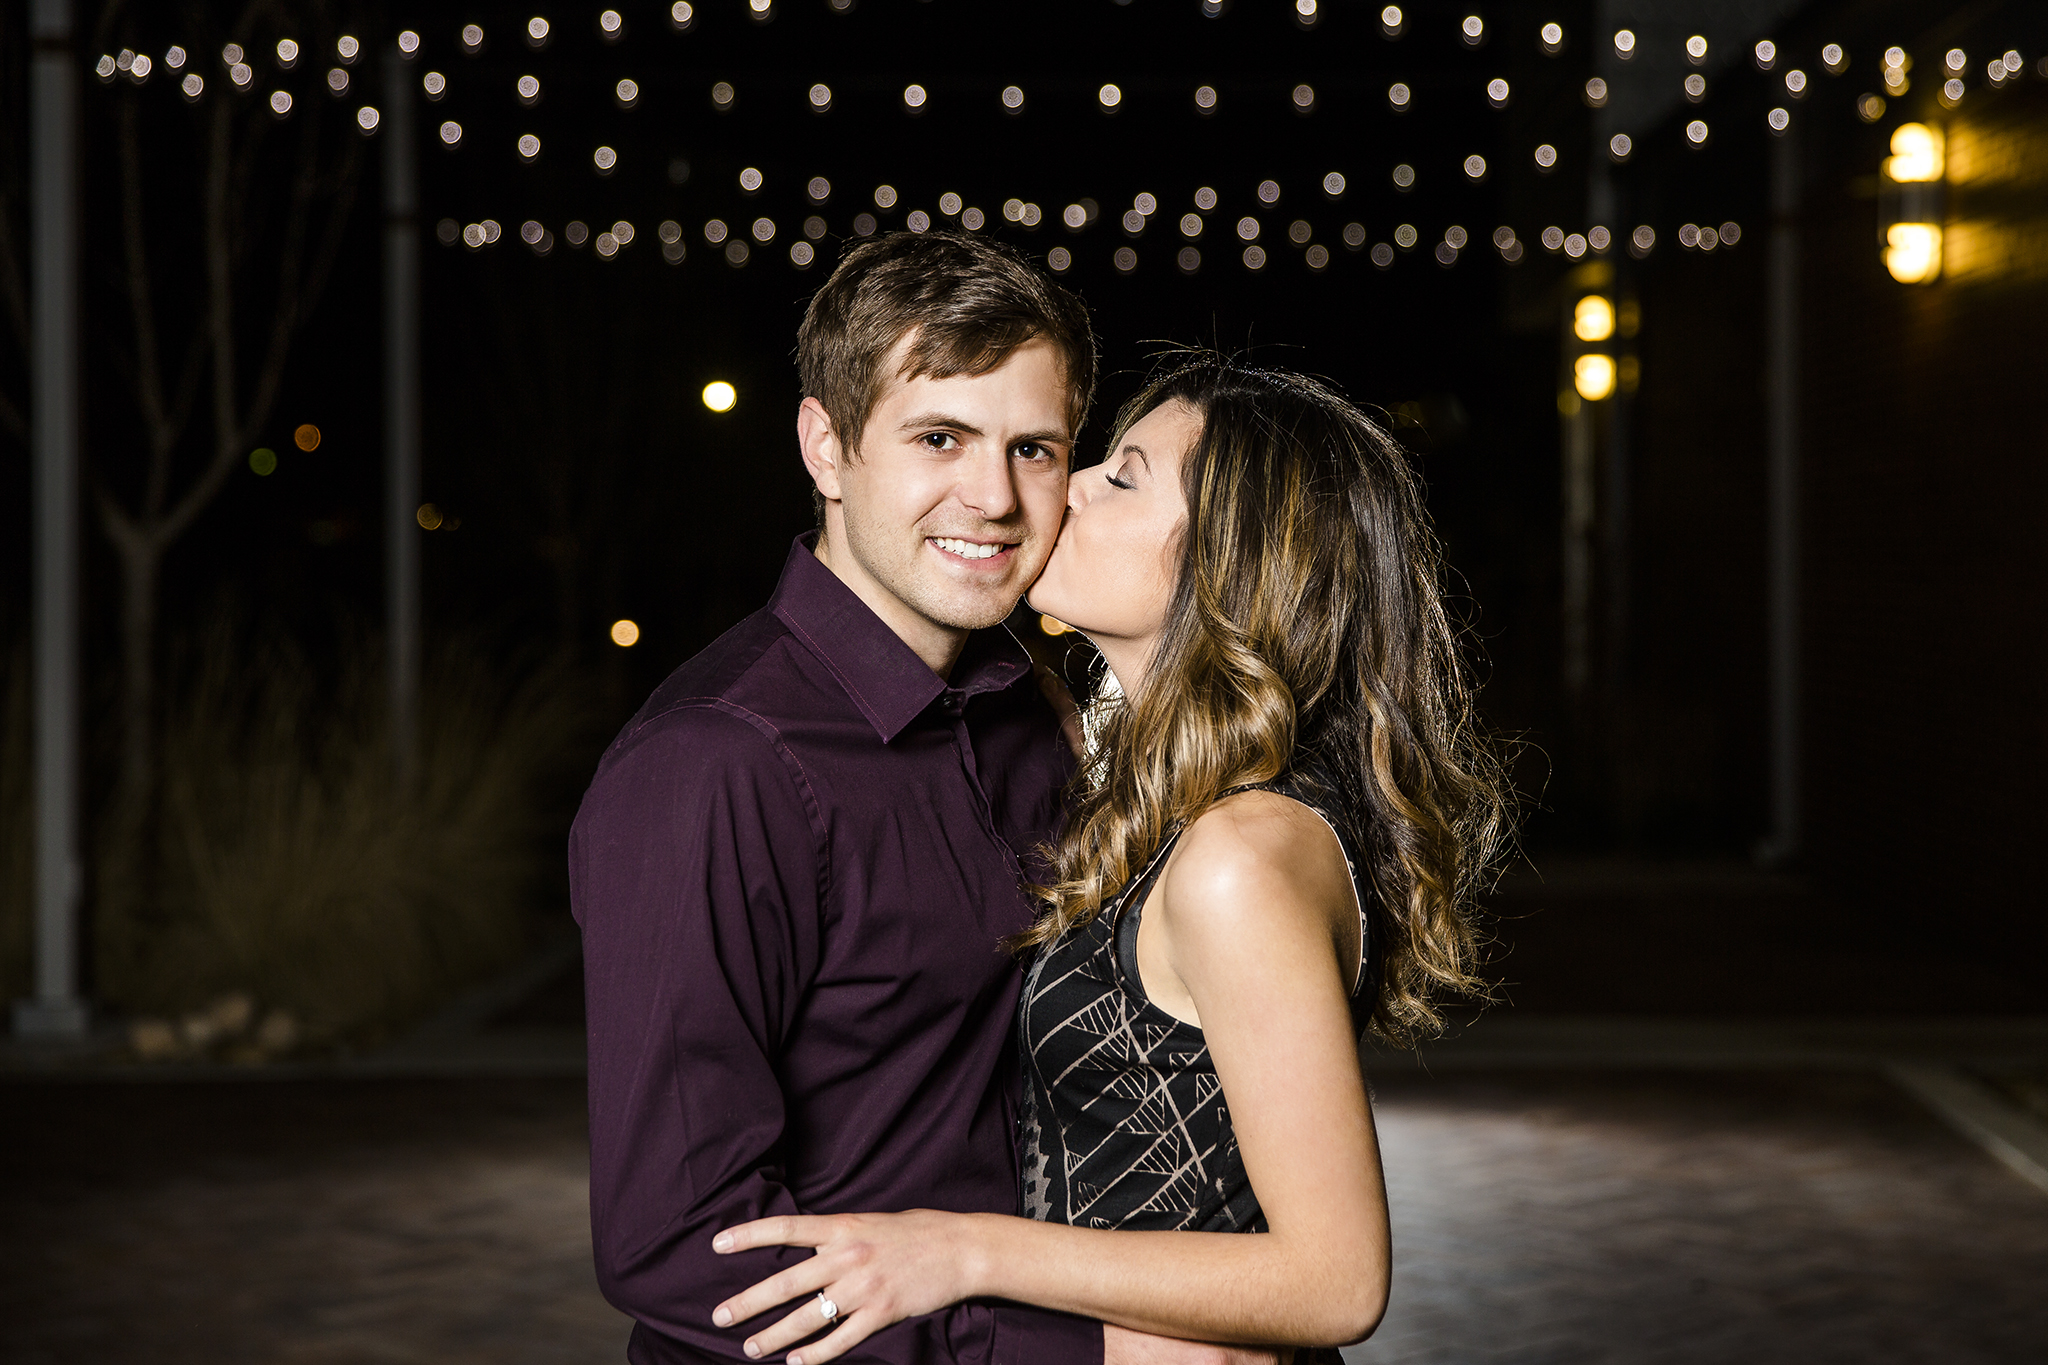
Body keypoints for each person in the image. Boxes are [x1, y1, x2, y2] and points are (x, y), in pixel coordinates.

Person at [705, 354, 1511, 1364]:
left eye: (1119, 476)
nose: (1064, 484)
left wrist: (958, 1253)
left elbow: (1335, 1280)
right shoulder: (1155, 791)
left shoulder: (1238, 858)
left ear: (1229, 560)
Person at [571, 237, 1273, 1365]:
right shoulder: (712, 764)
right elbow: (680, 1242)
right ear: (826, 446)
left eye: (1032, 448)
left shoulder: (1032, 717)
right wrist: (1079, 1347)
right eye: (938, 437)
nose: (992, 497)